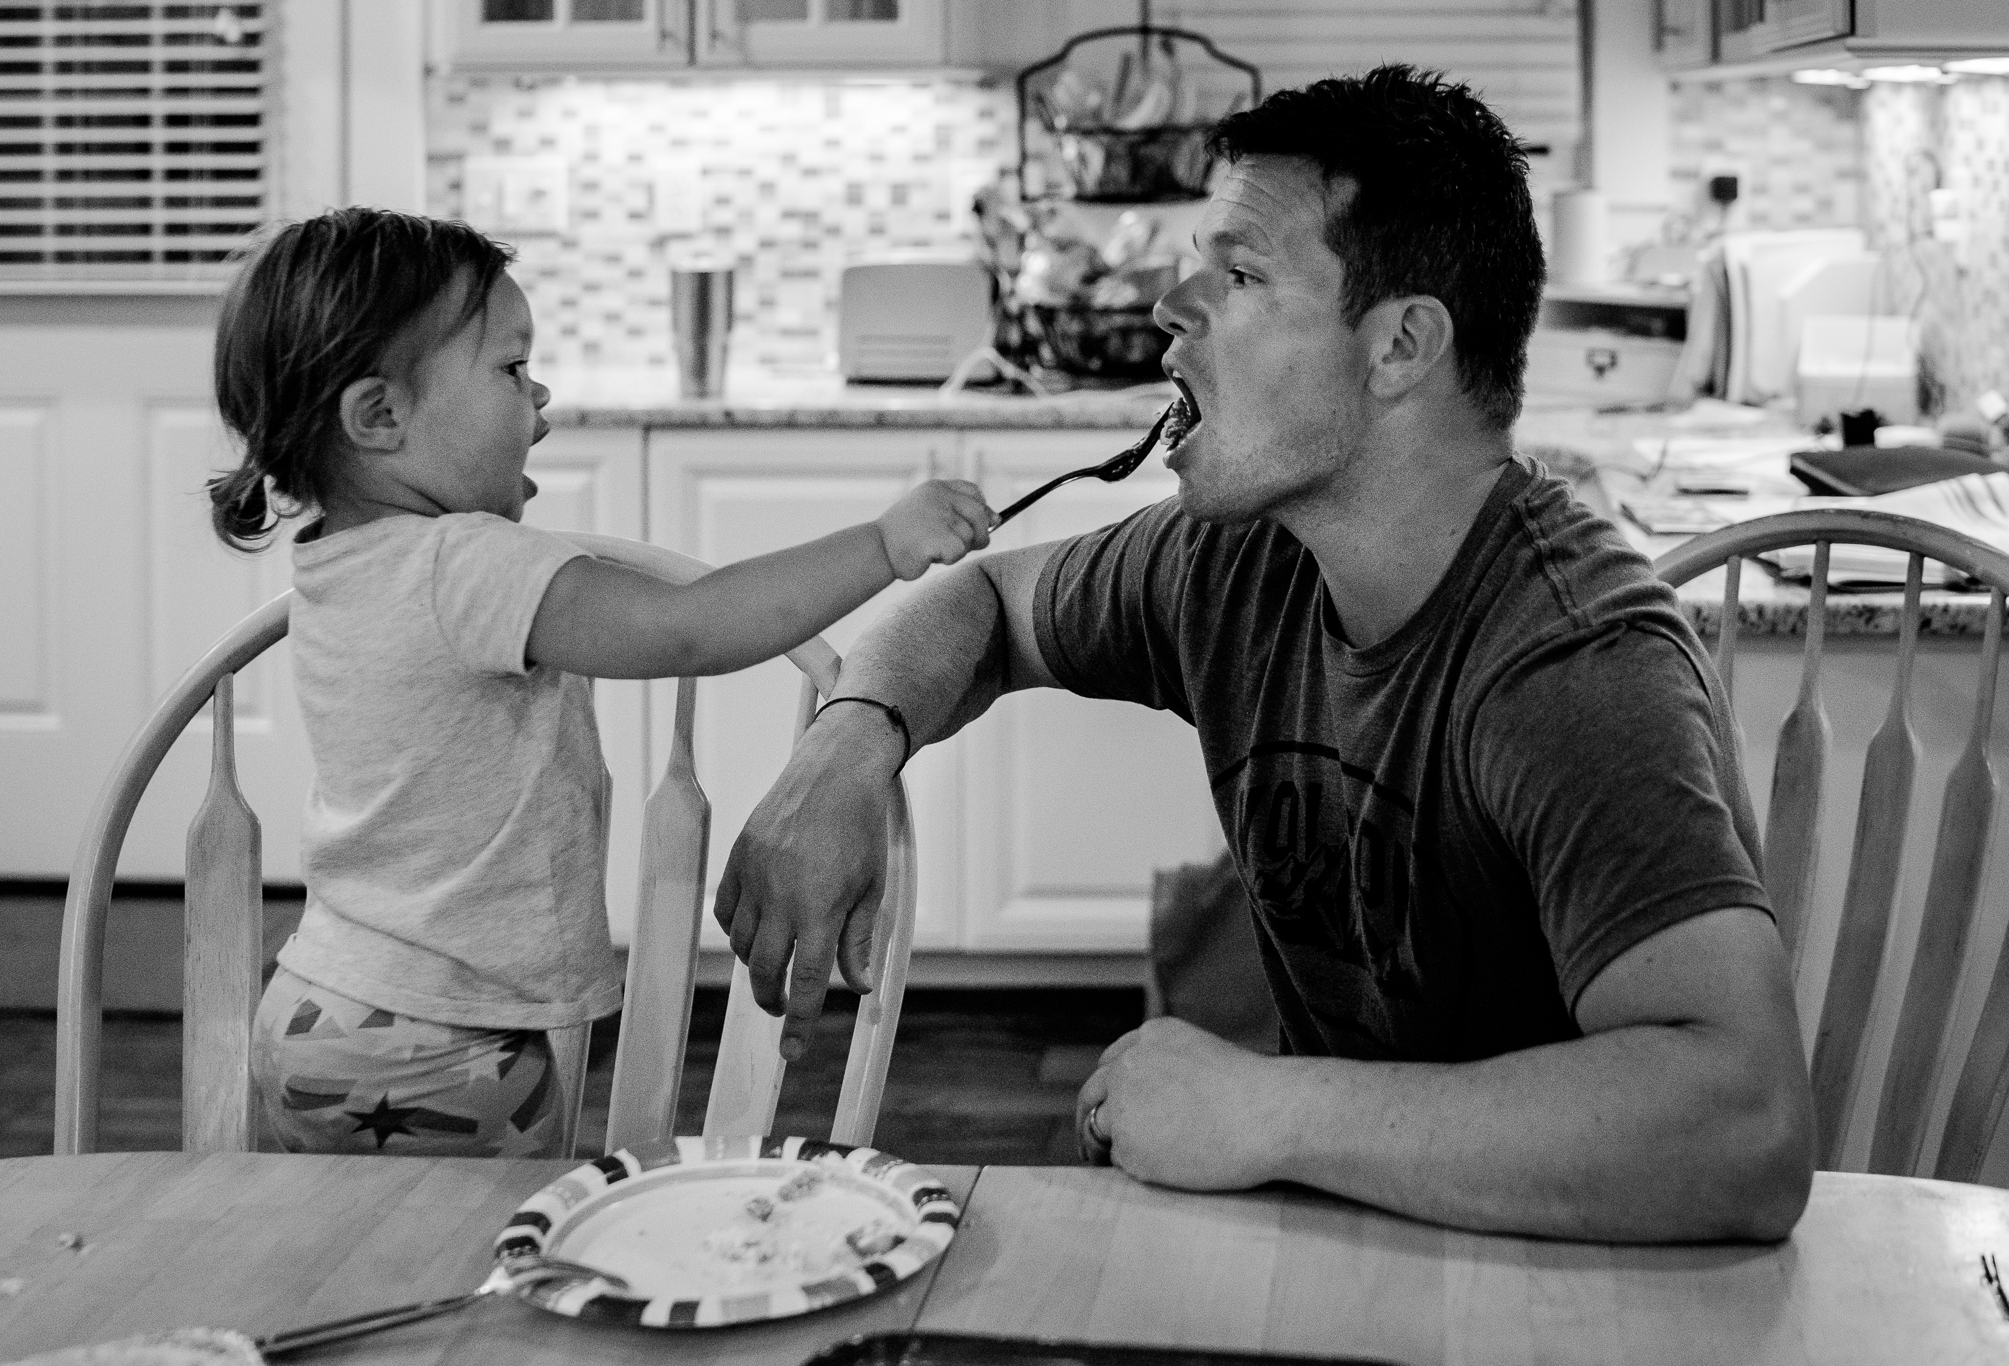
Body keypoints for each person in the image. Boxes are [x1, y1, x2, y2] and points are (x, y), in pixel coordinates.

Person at [712, 67, 1815, 1242]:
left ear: (1398, 346)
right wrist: (848, 741)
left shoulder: (1571, 663)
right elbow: (983, 601)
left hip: (1554, 1290)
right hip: (1348, 1239)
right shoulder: (1239, 560)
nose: (1171, 308)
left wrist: (1271, 1110)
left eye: (1238, 276)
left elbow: (1742, 1127)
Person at [205, 207, 993, 1157]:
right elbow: (690, 626)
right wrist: (881, 544)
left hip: (322, 1004)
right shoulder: (464, 565)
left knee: (367, 1266)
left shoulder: (342, 561)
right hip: (433, 1044)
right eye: (508, 369)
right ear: (379, 416)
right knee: (479, 1276)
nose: (541, 399)